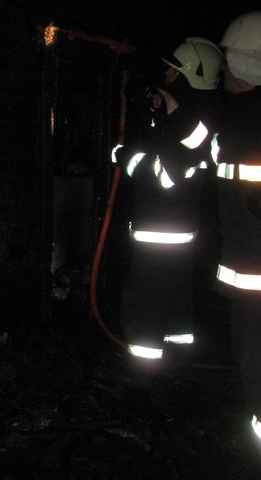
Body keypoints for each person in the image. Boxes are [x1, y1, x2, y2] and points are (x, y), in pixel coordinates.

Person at [113, 37, 224, 370]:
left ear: (189, 77)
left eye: (173, 72)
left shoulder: (193, 121)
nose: (166, 75)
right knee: (175, 301)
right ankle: (177, 365)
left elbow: (164, 176)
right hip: (176, 232)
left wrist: (126, 157)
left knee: (145, 302)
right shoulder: (189, 114)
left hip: (160, 233)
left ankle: (143, 375)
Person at [212, 11, 261, 478]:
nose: (224, 68)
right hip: (249, 263)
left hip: (256, 271)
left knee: (255, 359)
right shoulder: (240, 119)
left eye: (229, 59)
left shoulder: (248, 120)